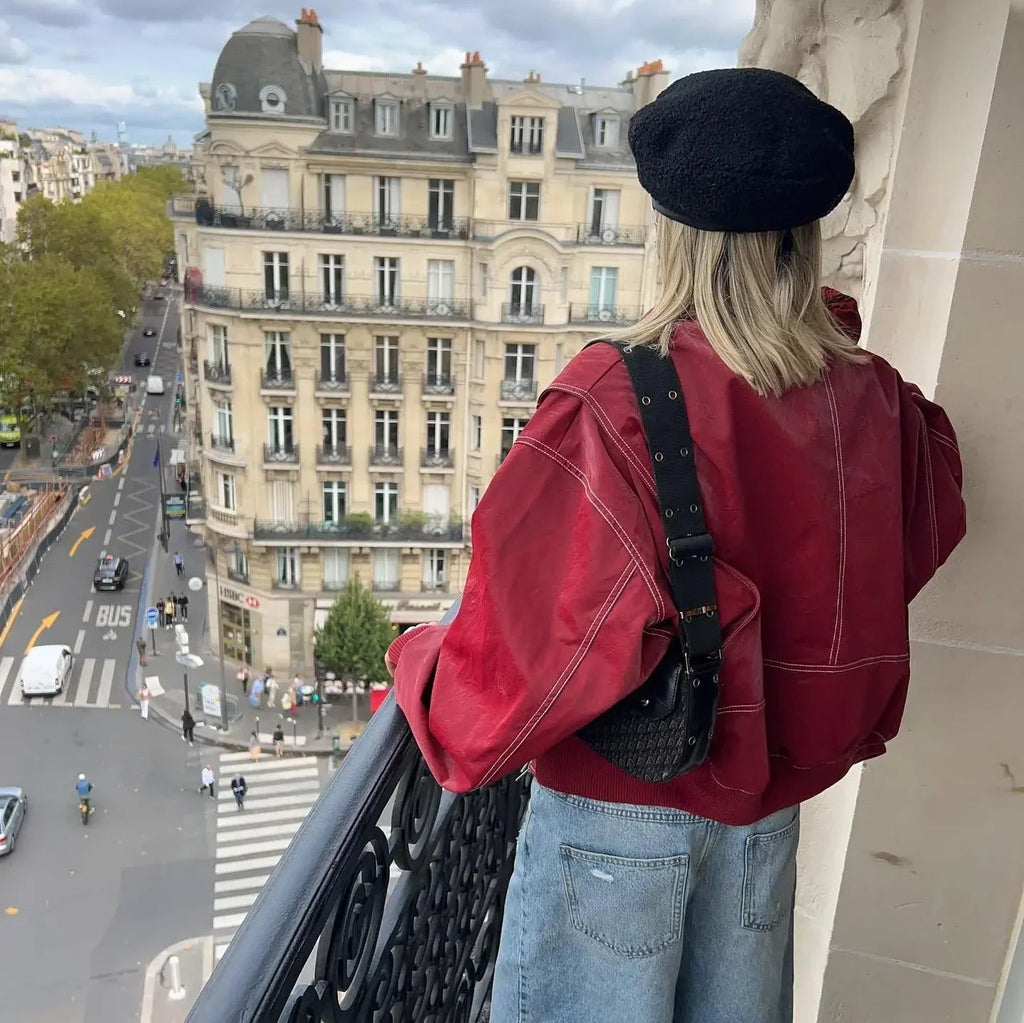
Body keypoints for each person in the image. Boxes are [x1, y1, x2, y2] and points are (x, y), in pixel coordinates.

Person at [384, 68, 967, 1023]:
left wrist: (417, 658)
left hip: (619, 826)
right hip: (767, 818)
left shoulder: (614, 399)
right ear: (804, 232)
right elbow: (923, 527)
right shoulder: (874, 396)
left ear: (673, 231)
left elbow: (513, 672)